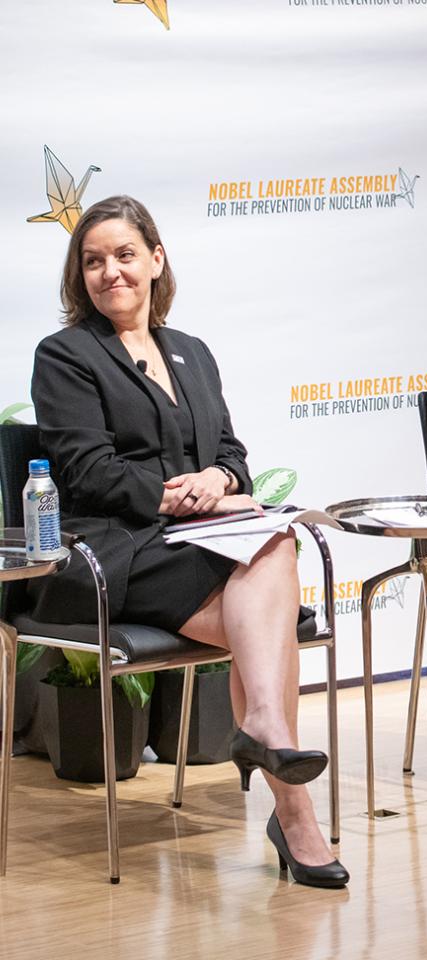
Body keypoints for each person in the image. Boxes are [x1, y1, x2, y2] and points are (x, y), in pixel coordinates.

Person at [29, 195, 348, 888]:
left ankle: (271, 744)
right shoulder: (65, 355)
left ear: (156, 260)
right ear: (78, 275)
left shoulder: (192, 353)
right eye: (92, 261)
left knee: (274, 547)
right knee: (269, 621)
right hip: (112, 550)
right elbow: (86, 469)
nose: (110, 272)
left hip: (195, 540)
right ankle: (293, 807)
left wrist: (218, 476)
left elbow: (232, 450)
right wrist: (179, 494)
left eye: (124, 255)